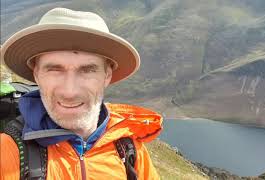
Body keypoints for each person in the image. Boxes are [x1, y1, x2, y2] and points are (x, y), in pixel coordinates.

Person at [0, 7, 162, 180]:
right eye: (54, 69)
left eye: (87, 70)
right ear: (36, 74)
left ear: (107, 75)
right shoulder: (7, 153)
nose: (70, 92)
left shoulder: (131, 151)